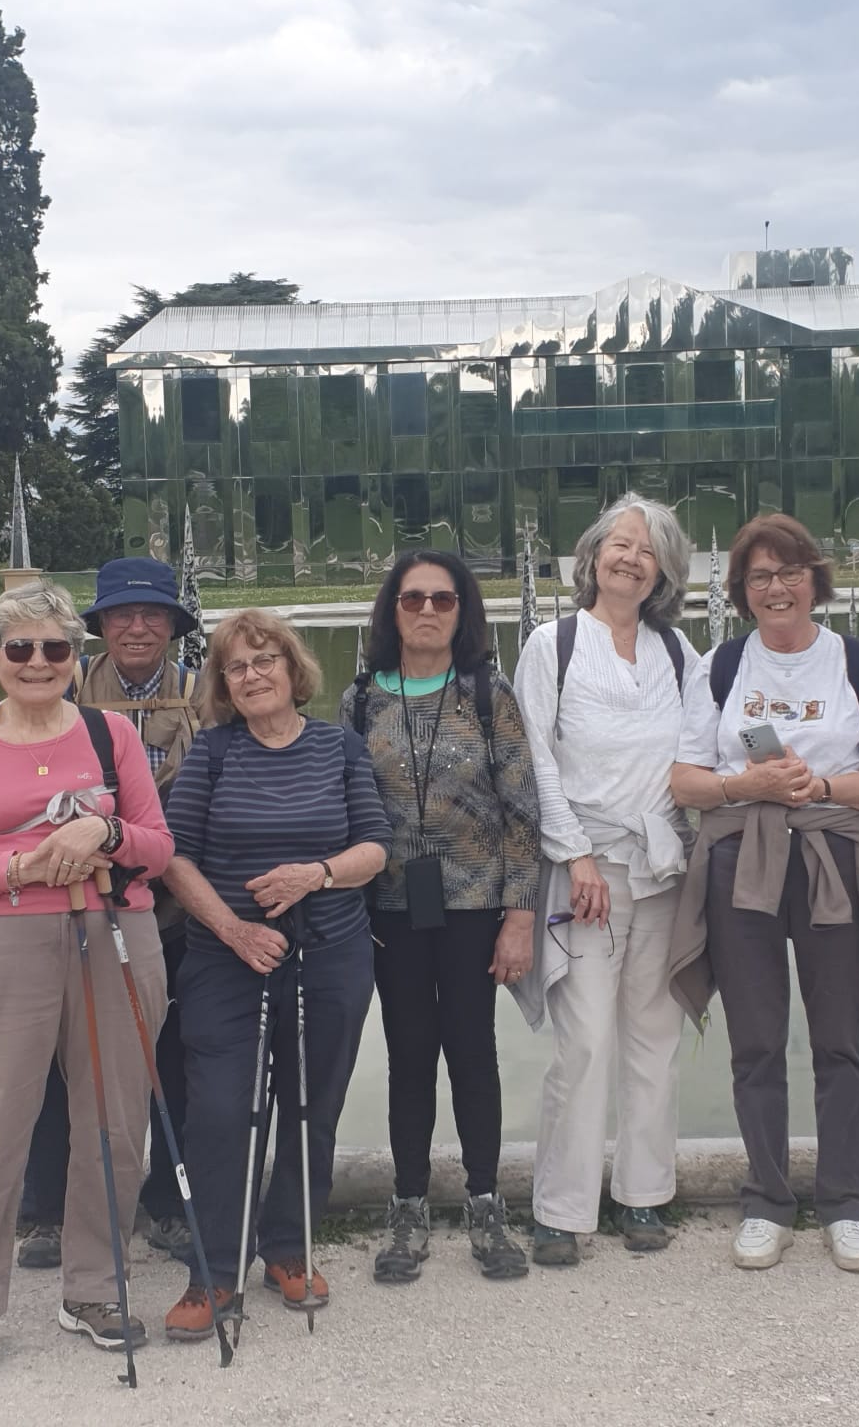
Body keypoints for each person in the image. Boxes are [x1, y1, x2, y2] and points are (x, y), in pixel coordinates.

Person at [0, 582, 176, 1376]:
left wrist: (105, 829)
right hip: (1, 947)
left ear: (74, 658)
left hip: (114, 932)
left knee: (115, 1121)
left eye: (56, 648)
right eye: (19, 649)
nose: (38, 662)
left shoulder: (109, 735)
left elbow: (158, 846)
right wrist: (21, 867)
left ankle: (94, 1288)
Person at [667, 513, 859, 1274]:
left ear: (815, 580)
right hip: (741, 856)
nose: (777, 589)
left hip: (832, 855)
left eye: (791, 572)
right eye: (760, 577)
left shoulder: (857, 662)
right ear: (743, 591)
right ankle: (766, 1201)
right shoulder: (720, 665)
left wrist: (821, 786)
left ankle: (847, 1203)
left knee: (839, 1038)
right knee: (755, 1039)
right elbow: (684, 781)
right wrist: (748, 786)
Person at [157, 609, 390, 1342]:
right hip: (226, 958)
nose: (253, 675)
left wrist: (315, 874)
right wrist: (232, 929)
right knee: (220, 1110)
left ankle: (288, 1247)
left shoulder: (338, 746)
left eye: (266, 660)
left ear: (293, 668)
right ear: (222, 683)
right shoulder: (213, 752)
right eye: (237, 666)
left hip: (330, 953)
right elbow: (173, 856)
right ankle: (214, 1268)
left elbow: (375, 847)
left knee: (311, 1105)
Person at [343, 550, 540, 1283]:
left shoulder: (488, 695)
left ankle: (486, 1201)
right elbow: (343, 806)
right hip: (390, 907)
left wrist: (520, 915)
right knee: (408, 1054)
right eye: (412, 598)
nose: (427, 611)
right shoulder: (361, 700)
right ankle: (409, 1204)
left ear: (464, 612)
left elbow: (523, 814)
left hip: (473, 905)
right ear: (391, 610)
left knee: (472, 1050)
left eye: (443, 600)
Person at [513, 494, 699, 1265]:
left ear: (664, 573)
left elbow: (699, 752)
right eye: (620, 545)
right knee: (585, 1041)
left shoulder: (678, 651)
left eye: (648, 551)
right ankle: (562, 1207)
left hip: (662, 868)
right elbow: (535, 758)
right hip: (584, 874)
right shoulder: (552, 645)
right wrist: (575, 854)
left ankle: (644, 1194)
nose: (631, 559)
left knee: (655, 1037)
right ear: (591, 556)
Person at [13, 557, 204, 1273]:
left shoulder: (205, 692)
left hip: (180, 905)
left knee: (175, 1058)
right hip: (76, 903)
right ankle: (48, 1209)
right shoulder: (60, 686)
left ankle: (167, 1201)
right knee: (58, 1061)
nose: (137, 627)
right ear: (99, 625)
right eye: (122, 614)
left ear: (174, 625)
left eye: (153, 614)